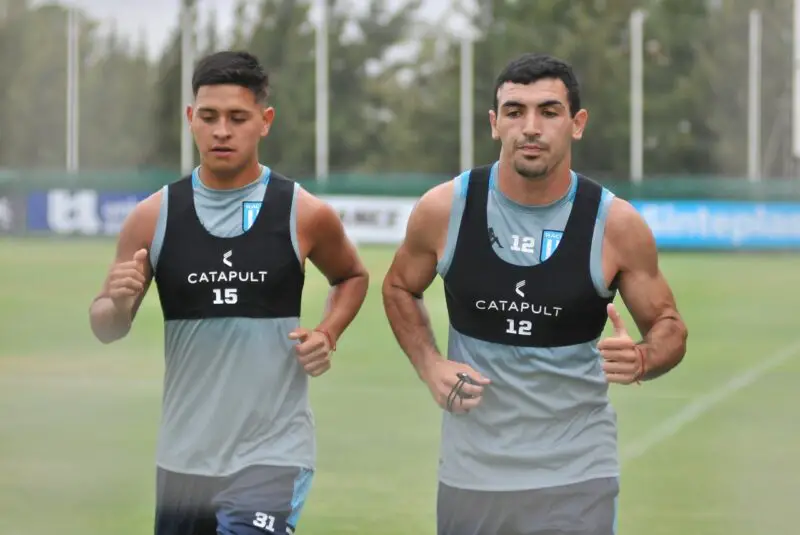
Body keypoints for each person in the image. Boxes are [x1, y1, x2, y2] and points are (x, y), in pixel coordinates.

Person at [382, 53, 688, 535]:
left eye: (548, 112)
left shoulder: (616, 225)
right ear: (494, 123)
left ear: (576, 123)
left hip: (577, 473)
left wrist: (645, 359)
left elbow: (669, 327)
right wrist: (429, 363)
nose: (530, 127)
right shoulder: (445, 209)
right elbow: (399, 286)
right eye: (514, 111)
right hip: (472, 474)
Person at [89, 50, 369, 535]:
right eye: (210, 117)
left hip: (273, 453)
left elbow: (352, 276)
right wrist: (115, 300)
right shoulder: (152, 217)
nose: (222, 130)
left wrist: (329, 331)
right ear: (190, 119)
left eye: (238, 118)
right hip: (184, 458)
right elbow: (106, 327)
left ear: (265, 121)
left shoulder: (302, 213)